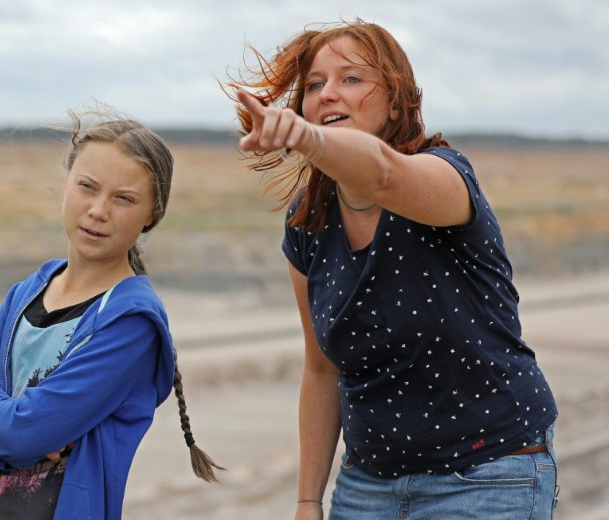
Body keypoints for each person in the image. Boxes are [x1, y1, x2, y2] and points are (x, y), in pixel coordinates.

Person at [230, 19, 559, 520]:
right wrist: (307, 500)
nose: (328, 94)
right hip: (367, 486)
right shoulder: (308, 221)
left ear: (398, 101)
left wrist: (305, 138)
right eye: (315, 85)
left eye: (351, 79)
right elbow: (321, 368)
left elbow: (382, 174)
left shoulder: (444, 175)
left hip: (488, 472)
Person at [0, 111, 222, 520]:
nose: (98, 210)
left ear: (152, 214)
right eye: (87, 187)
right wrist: (7, 417)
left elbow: (24, 433)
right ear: (66, 184)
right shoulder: (25, 294)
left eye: (124, 198)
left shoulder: (129, 321)